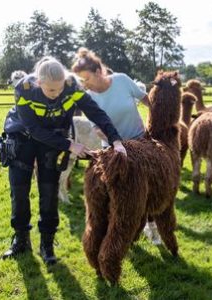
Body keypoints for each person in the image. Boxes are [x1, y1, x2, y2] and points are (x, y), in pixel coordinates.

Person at [0, 56, 126, 265]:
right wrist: (70, 145)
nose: (56, 95)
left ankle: (47, 246)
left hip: (53, 139)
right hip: (23, 136)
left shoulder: (71, 86)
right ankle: (21, 241)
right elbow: (33, 129)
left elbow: (95, 112)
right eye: (51, 91)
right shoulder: (25, 88)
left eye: (59, 90)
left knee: (49, 192)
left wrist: (116, 140)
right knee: (19, 190)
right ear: (39, 83)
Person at [71, 47, 162, 245]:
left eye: (86, 79)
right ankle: (119, 234)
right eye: (81, 81)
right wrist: (117, 142)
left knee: (148, 188)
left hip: (140, 141)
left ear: (98, 72)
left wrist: (160, 120)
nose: (85, 85)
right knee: (119, 194)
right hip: (112, 149)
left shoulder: (122, 80)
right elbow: (97, 129)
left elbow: (146, 101)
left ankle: (151, 226)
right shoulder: (89, 97)